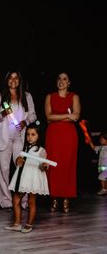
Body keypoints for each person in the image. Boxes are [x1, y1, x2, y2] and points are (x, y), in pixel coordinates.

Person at [0, 71, 36, 209]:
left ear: (20, 81)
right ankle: (7, 202)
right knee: (3, 171)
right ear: (6, 80)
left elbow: (33, 115)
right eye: (11, 77)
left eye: (16, 78)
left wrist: (25, 122)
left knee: (23, 168)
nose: (13, 80)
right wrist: (2, 114)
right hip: (2, 139)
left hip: (20, 138)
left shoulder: (26, 96)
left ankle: (24, 201)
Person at [44, 72, 80, 213]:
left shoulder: (74, 97)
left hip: (69, 136)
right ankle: (53, 198)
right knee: (53, 166)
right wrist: (67, 115)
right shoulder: (50, 96)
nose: (61, 81)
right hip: (53, 135)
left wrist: (56, 117)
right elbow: (48, 116)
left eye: (64, 79)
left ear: (69, 82)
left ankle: (66, 199)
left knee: (67, 166)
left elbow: (76, 116)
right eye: (59, 78)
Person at [4, 122, 49, 233]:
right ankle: (17, 223)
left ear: (39, 136)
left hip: (33, 178)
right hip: (22, 178)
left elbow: (43, 165)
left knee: (31, 201)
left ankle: (29, 224)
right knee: (16, 199)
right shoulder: (25, 148)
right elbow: (19, 159)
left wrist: (44, 165)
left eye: (33, 134)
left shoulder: (41, 150)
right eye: (28, 134)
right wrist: (18, 160)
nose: (30, 137)